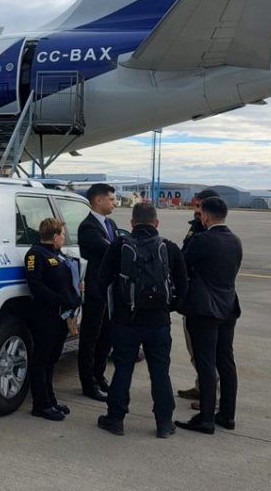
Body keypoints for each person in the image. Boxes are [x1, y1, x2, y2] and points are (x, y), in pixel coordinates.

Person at [94, 203, 187, 438]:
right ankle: (164, 423)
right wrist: (168, 307)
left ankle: (115, 419)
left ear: (132, 224)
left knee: (123, 368)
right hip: (158, 322)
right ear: (156, 223)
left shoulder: (119, 246)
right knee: (160, 371)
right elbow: (183, 287)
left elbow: (101, 280)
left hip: (126, 320)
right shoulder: (169, 247)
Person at [176, 196, 242, 434]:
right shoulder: (235, 240)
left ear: (204, 216)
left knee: (205, 362)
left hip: (204, 309)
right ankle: (227, 414)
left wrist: (192, 236)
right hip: (228, 307)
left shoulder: (203, 240)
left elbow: (182, 264)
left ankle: (205, 418)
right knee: (226, 362)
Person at [24, 217, 82, 421]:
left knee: (52, 359)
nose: (64, 239)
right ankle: (40, 404)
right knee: (41, 360)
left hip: (62, 316)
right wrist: (60, 300)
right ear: (55, 236)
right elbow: (36, 285)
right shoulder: (36, 254)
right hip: (45, 315)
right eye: (63, 235)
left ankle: (51, 399)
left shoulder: (59, 255)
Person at [176, 188, 220, 403]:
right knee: (194, 348)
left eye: (198, 207)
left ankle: (209, 395)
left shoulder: (207, 235)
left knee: (203, 351)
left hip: (202, 302)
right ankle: (201, 385)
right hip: (194, 297)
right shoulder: (196, 228)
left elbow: (187, 262)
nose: (195, 211)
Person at [77, 183, 118, 401]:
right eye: (110, 199)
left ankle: (99, 376)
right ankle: (88, 383)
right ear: (98, 200)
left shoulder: (110, 223)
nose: (114, 202)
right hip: (95, 290)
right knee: (90, 338)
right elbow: (109, 249)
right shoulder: (88, 227)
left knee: (107, 336)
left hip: (110, 290)